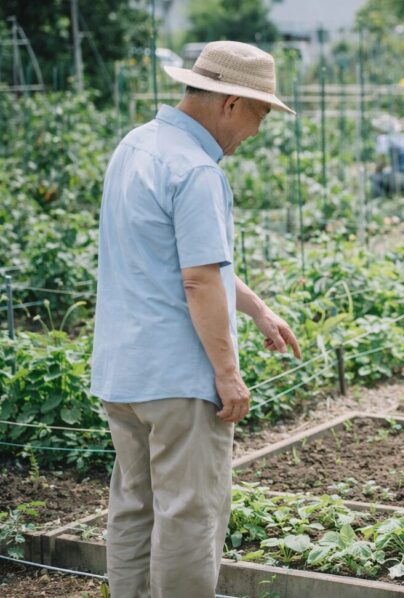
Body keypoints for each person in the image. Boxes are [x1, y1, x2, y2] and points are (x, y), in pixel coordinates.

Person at [91, 41, 302, 598]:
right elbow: (199, 278)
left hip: (124, 370)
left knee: (134, 505)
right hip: (178, 378)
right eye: (259, 113)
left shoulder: (137, 146)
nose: (256, 130)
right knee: (190, 515)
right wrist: (228, 373)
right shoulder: (197, 169)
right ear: (231, 103)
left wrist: (256, 308)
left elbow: (177, 258)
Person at [370, 113, 404, 197]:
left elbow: (381, 164)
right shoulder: (402, 138)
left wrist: (375, 172)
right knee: (387, 172)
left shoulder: (384, 138)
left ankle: (379, 203)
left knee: (375, 178)